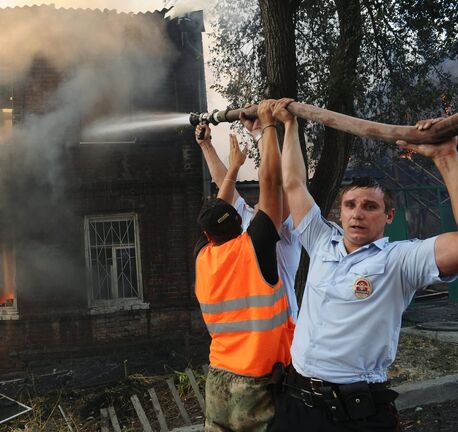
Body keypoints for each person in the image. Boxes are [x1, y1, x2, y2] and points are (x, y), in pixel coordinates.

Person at [269, 98, 458, 431]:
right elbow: (294, 184)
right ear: (339, 212)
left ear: (389, 216)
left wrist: (446, 158)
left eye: (370, 206)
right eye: (350, 205)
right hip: (295, 404)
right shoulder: (320, 240)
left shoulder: (400, 260)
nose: (357, 213)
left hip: (355, 415)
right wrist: (289, 125)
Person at [195, 100, 295, 432]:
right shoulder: (258, 242)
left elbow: (220, 203)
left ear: (208, 235)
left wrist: (209, 147)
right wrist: (267, 129)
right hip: (259, 373)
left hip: (218, 374)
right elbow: (272, 184)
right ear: (239, 222)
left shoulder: (203, 256)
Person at [195, 117, 302, 322]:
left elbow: (222, 193)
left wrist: (207, 147)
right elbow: (273, 181)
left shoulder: (207, 255)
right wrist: (261, 133)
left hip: (241, 344)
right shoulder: (256, 232)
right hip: (275, 338)